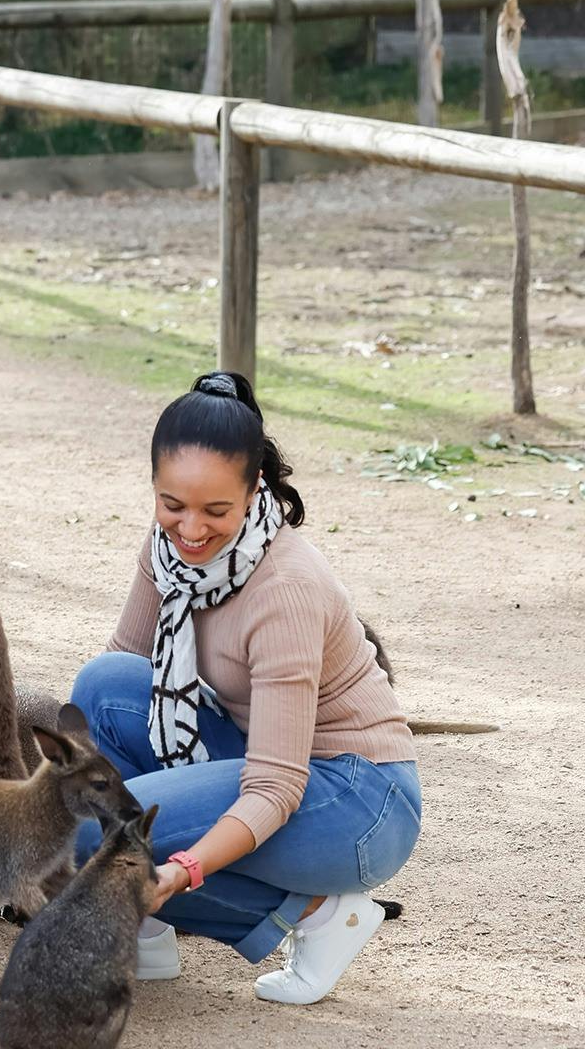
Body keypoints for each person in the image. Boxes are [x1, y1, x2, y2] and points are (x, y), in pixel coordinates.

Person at [70, 371, 422, 1005]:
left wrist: (184, 865)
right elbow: (127, 669)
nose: (191, 530)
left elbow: (277, 785)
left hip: (356, 797)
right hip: (269, 753)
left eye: (216, 511)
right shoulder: (167, 550)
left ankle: (316, 912)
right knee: (103, 688)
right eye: (172, 504)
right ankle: (143, 924)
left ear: (254, 488)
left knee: (87, 840)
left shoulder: (284, 590)